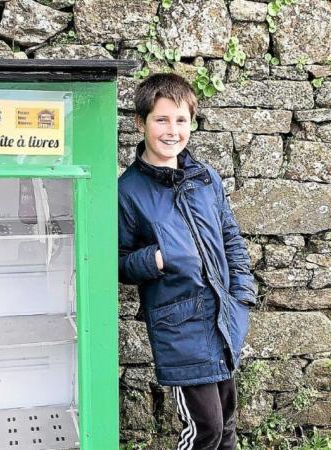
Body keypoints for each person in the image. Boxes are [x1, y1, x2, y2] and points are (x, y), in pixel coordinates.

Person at [118, 73, 256, 450]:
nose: (171, 130)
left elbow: (231, 239)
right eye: (161, 119)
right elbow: (119, 263)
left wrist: (241, 295)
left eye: (180, 120)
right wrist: (156, 259)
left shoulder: (206, 178)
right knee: (205, 429)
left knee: (226, 425)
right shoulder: (128, 191)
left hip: (222, 317)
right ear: (140, 123)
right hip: (179, 326)